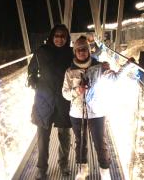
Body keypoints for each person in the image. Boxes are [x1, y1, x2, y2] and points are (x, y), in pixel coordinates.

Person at [62, 35, 131, 180]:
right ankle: (82, 170)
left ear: (89, 51)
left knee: (101, 143)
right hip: (76, 113)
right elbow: (65, 94)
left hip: (97, 112)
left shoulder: (100, 67)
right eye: (79, 49)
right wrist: (77, 91)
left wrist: (128, 65)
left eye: (84, 49)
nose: (82, 52)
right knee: (80, 143)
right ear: (75, 52)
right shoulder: (69, 71)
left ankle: (105, 172)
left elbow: (115, 78)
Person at [28, 24, 73, 179]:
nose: (59, 39)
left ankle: (64, 164)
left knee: (65, 135)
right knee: (42, 136)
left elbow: (84, 63)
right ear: (52, 36)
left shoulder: (71, 53)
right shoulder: (41, 52)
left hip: (64, 100)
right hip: (44, 99)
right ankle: (42, 168)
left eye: (63, 36)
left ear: (67, 39)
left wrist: (101, 65)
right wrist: (35, 83)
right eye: (57, 35)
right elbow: (31, 70)